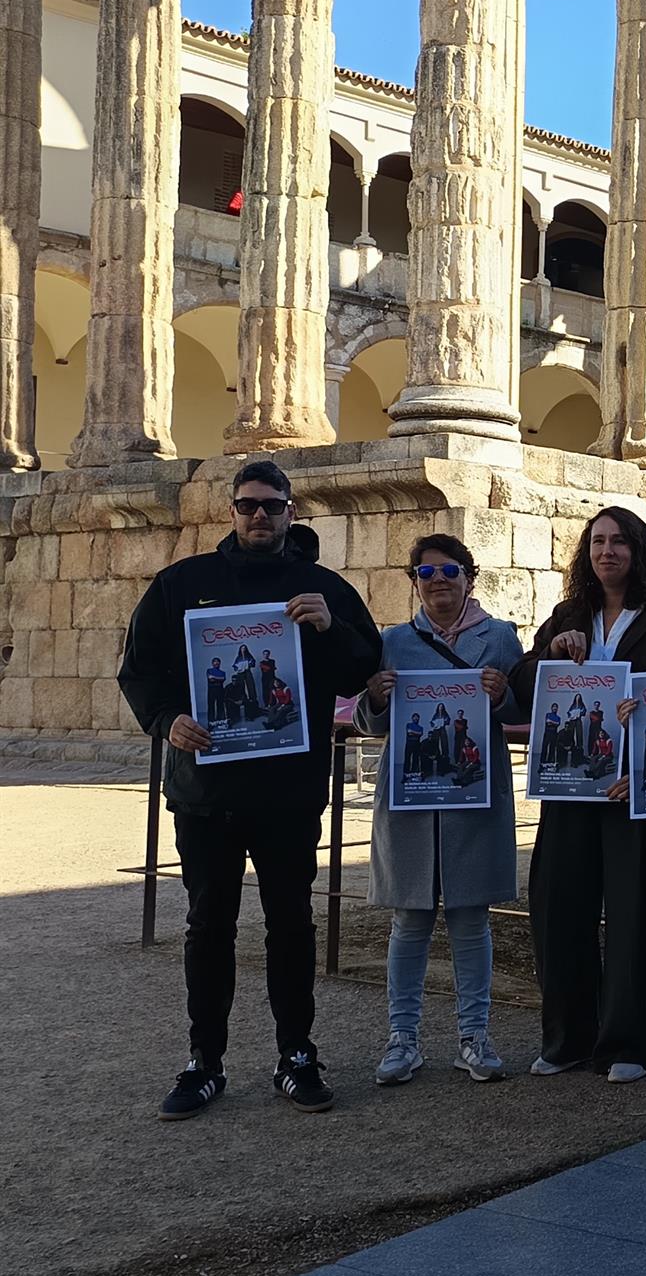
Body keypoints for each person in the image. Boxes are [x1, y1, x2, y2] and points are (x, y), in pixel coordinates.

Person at [119, 460, 381, 1120]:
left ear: (292, 512)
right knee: (209, 926)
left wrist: (332, 628)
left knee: (291, 923)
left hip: (288, 794)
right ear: (231, 513)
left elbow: (363, 674)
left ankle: (296, 1054)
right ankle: (204, 1061)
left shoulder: (324, 589)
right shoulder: (183, 584)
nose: (258, 516)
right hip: (205, 792)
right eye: (247, 506)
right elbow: (140, 668)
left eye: (271, 505)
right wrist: (165, 719)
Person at [509, 507, 646, 1084]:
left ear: (638, 552)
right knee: (559, 908)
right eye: (597, 542)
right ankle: (567, 1038)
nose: (606, 551)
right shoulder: (569, 614)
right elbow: (521, 684)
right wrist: (550, 654)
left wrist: (644, 764)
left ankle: (629, 1043)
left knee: (636, 913)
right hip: (570, 787)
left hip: (631, 791)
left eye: (618, 542)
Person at [355, 534, 524, 1087]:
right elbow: (368, 722)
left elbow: (524, 710)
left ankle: (474, 1036)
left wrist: (502, 696)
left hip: (473, 794)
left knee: (471, 919)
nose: (439, 581)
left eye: (449, 570)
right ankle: (403, 1038)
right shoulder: (394, 642)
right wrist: (376, 699)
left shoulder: (501, 638)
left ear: (469, 576)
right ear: (414, 583)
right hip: (411, 797)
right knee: (409, 920)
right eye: (427, 574)